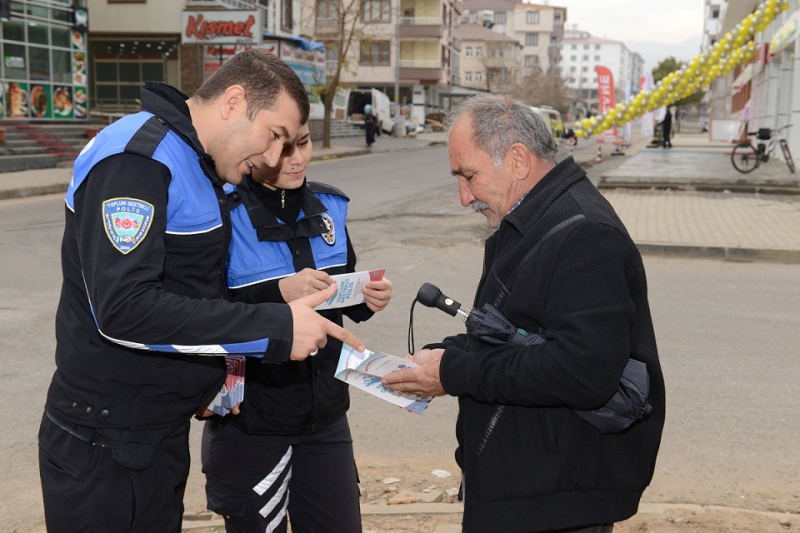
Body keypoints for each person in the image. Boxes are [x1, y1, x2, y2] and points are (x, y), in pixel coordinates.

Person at [38, 50, 364, 533]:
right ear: (234, 101)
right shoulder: (138, 158)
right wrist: (275, 327)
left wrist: (217, 376)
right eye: (274, 136)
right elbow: (124, 309)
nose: (274, 158)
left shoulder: (195, 162)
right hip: (106, 440)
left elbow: (193, 296)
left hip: (152, 434)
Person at [383, 94, 665, 533]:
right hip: (528, 487)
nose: (463, 197)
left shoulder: (584, 232)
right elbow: (515, 332)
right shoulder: (529, 220)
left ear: (517, 160)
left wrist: (454, 372)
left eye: (469, 176)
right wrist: (443, 357)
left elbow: (582, 370)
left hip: (555, 500)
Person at [202, 122, 393, 532]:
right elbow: (198, 313)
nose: (298, 158)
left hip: (326, 419)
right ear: (253, 148)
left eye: (303, 144)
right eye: (284, 147)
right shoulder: (219, 210)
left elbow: (344, 291)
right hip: (252, 423)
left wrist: (368, 298)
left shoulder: (329, 207)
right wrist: (278, 292)